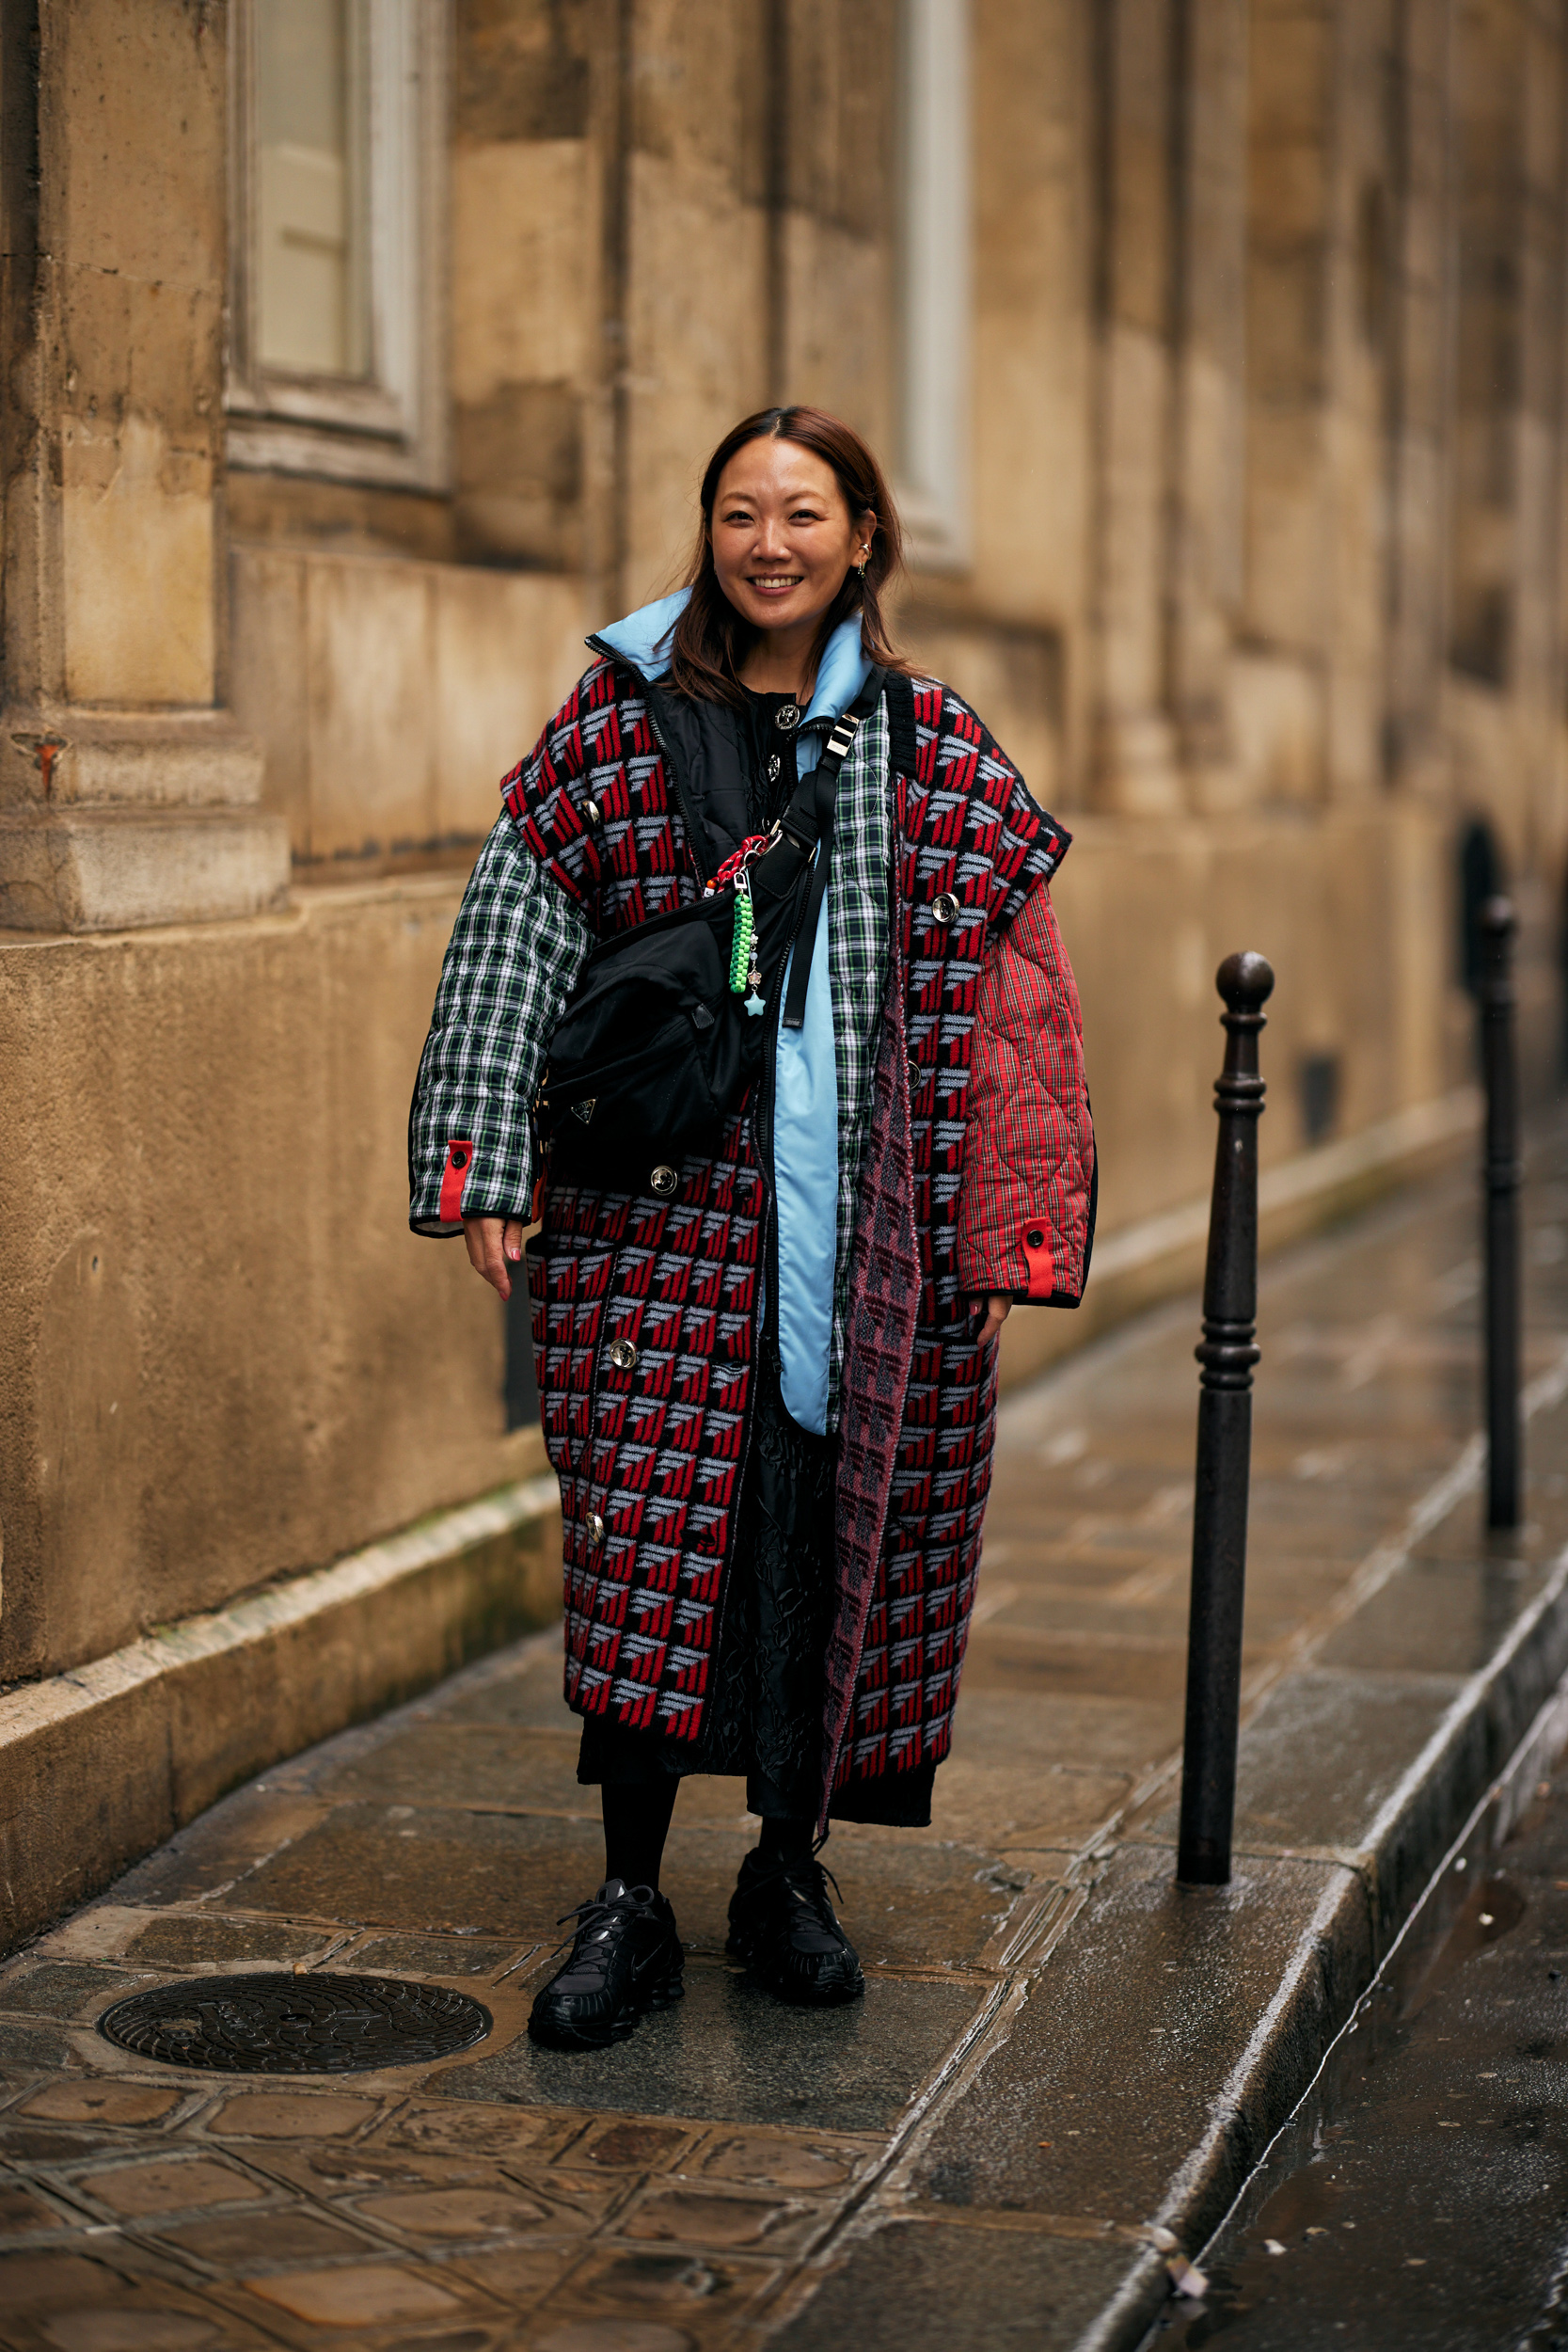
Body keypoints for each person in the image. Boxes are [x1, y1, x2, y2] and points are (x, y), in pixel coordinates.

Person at [408, 405, 1095, 2051]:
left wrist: (1006, 1231)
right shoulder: (620, 722)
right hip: (654, 1235)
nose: (768, 542)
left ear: (863, 536)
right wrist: (486, 1156)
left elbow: (1021, 997)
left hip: (870, 1258)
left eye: (803, 512)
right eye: (738, 512)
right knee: (649, 1557)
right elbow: (513, 923)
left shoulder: (931, 744)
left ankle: (787, 1873)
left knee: (831, 1551)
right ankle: (629, 1896)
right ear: (707, 532)